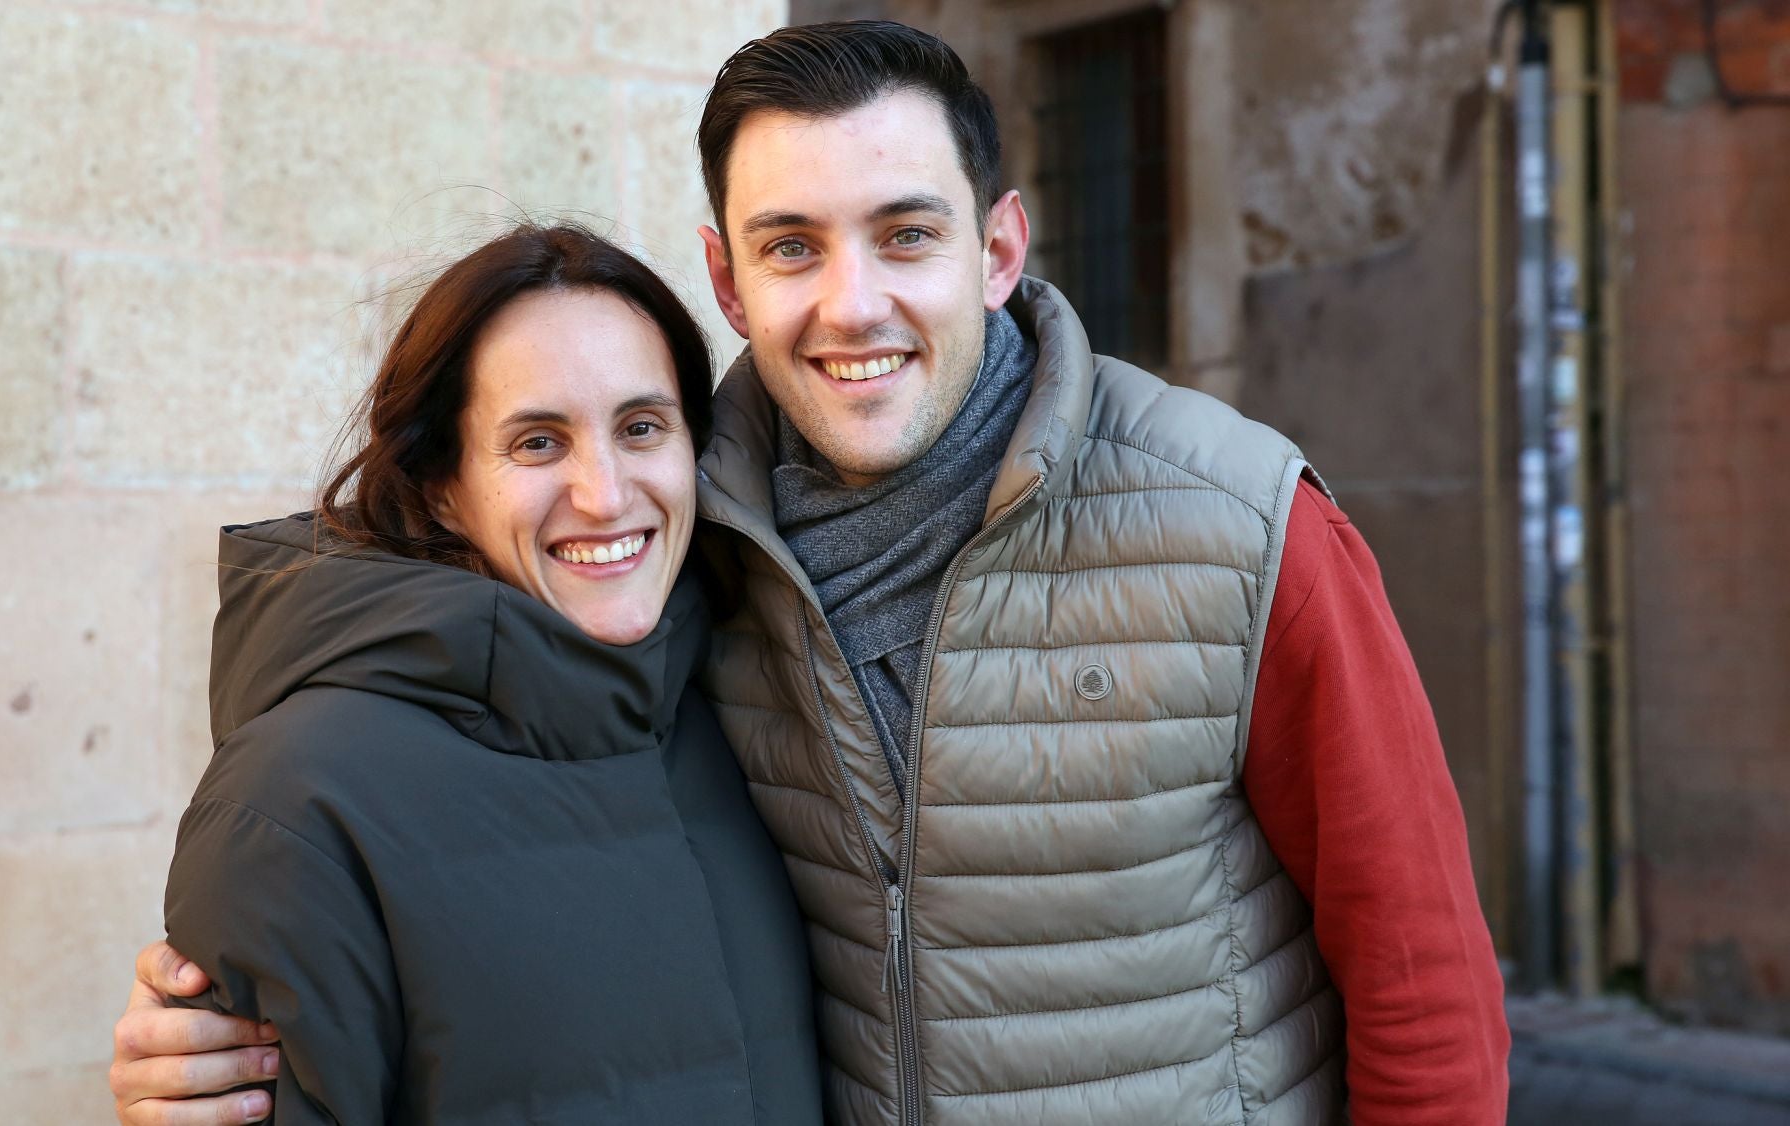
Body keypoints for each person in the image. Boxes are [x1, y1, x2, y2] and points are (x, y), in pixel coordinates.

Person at [111, 21, 1509, 1126]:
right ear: (728, 282)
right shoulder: (684, 556)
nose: (852, 303)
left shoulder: (1238, 521)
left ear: (1000, 249)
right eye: (793, 247)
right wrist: (222, 1038)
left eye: (906, 234)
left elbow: (1421, 980)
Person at [146, 223, 820, 1125]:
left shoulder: (742, 698)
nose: (606, 492)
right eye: (538, 443)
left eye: (642, 427)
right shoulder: (298, 802)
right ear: (440, 487)